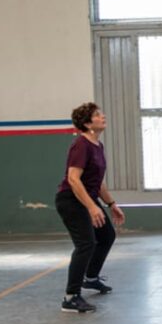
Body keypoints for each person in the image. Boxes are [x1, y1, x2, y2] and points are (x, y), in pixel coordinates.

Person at [56, 102, 125, 312]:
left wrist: (111, 204)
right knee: (86, 244)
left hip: (87, 198)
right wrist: (91, 207)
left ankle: (91, 277)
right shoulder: (81, 145)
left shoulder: (97, 146)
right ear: (87, 124)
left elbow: (97, 181)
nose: (102, 116)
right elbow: (74, 179)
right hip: (71, 200)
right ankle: (71, 297)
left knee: (106, 236)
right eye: (97, 115)